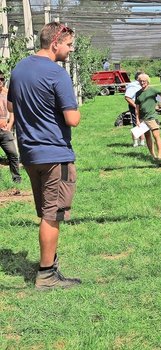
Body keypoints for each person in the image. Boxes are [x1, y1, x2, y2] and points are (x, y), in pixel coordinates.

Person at [7, 22, 81, 289]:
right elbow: (72, 118)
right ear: (55, 44)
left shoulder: (19, 69)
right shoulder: (57, 74)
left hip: (29, 153)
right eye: (69, 45)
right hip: (54, 153)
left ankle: (52, 265)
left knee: (45, 211)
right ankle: (47, 274)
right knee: (52, 215)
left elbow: (11, 105)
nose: (70, 50)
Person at [134, 73, 161, 161]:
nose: (142, 82)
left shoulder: (153, 90)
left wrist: (160, 105)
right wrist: (137, 119)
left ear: (147, 81)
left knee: (156, 135)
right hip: (143, 118)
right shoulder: (138, 93)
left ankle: (160, 154)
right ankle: (153, 155)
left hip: (152, 117)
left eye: (144, 81)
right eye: (140, 81)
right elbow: (137, 108)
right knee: (147, 136)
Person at [0, 72, 21, 183]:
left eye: (2, 79)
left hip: (5, 130)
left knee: (13, 154)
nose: (0, 81)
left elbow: (12, 110)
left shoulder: (7, 93)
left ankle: (16, 179)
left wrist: (10, 125)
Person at [125, 71, 145, 147]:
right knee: (136, 124)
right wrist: (135, 106)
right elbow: (127, 97)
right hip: (135, 107)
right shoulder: (133, 86)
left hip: (142, 107)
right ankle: (136, 142)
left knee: (142, 123)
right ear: (138, 78)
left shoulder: (142, 85)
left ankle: (142, 141)